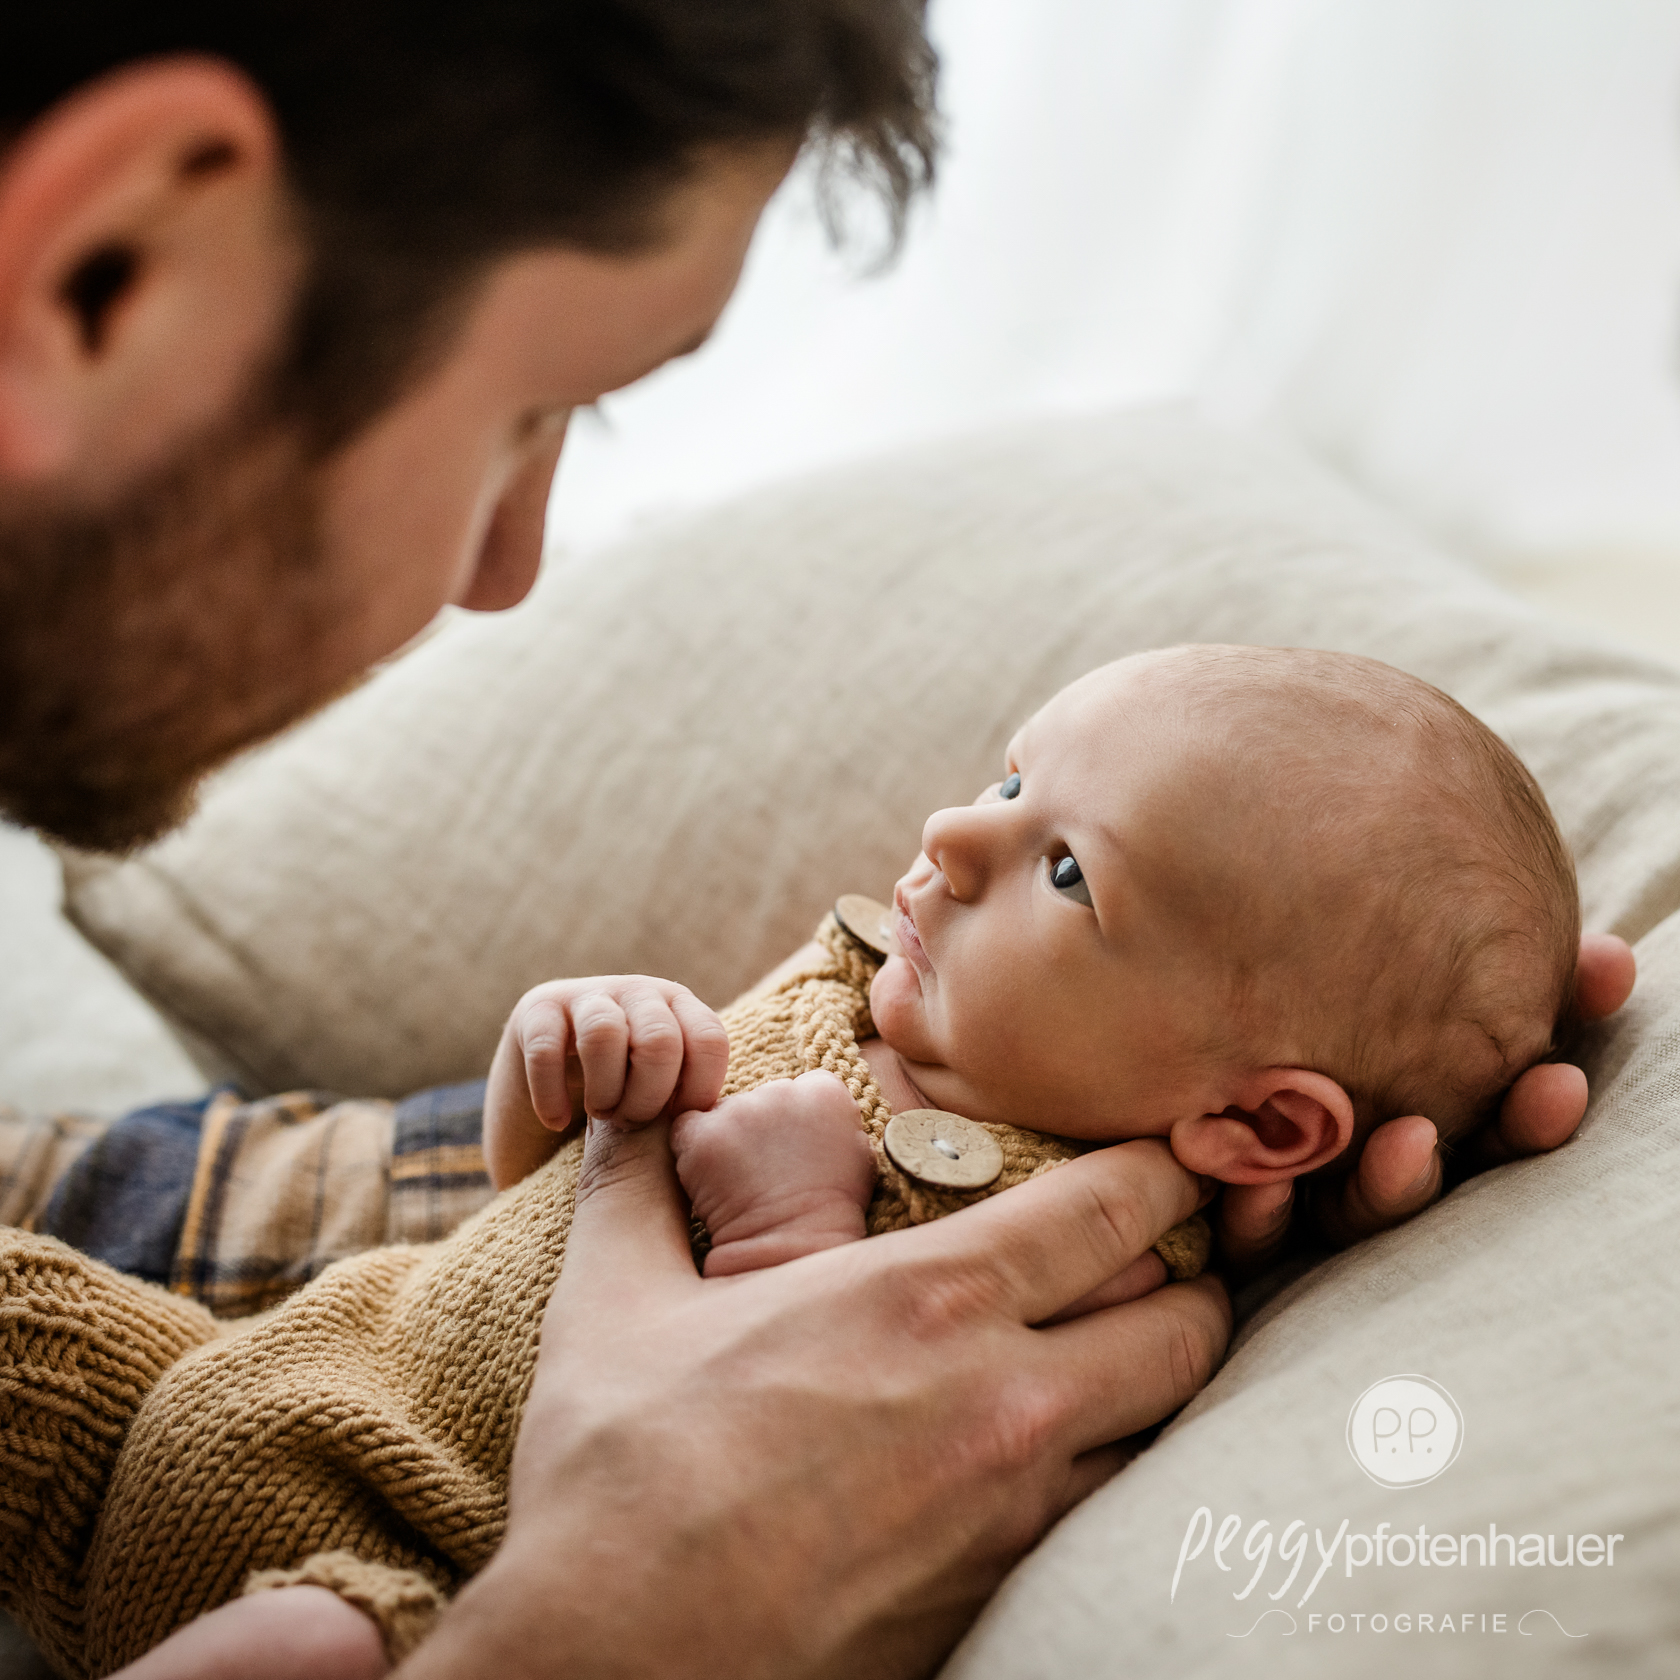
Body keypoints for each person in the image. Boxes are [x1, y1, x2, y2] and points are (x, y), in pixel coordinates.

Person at [0, 12, 1632, 1679]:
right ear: (108, 270)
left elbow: (553, 1217)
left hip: (342, 1522)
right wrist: (601, 1623)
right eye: (528, 409)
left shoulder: (1085, 1216)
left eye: (1069, 867)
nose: (511, 569)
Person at [0, 646, 1595, 1674]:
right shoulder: (865, 987)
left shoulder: (1092, 1254)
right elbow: (534, 1195)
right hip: (195, 1390)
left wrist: (789, 1216)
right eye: (1012, 780)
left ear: (1259, 1127)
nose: (954, 836)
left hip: (382, 1571)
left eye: (1065, 872)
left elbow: (823, 1429)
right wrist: (568, 1046)